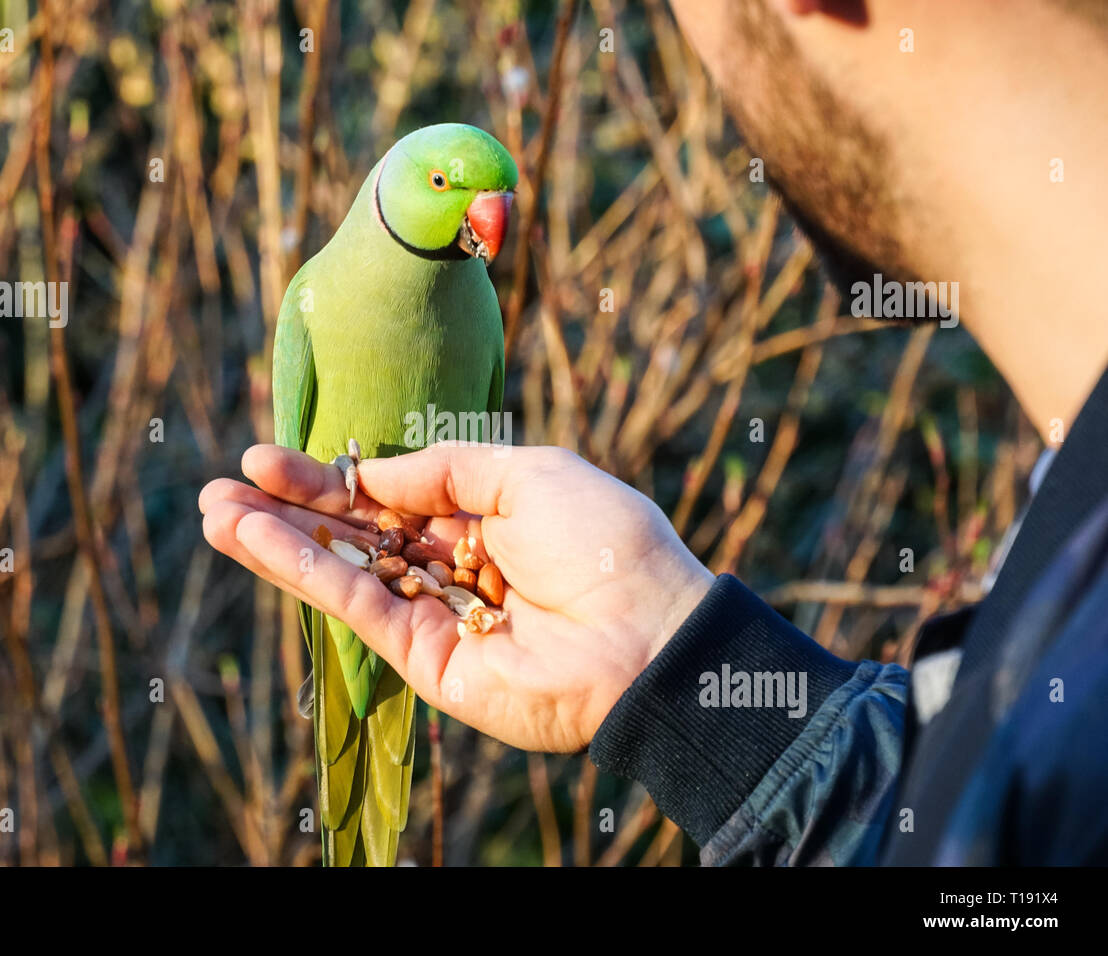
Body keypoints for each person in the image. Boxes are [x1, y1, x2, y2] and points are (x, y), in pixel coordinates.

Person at [199, 0, 1108, 864]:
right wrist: (672, 655)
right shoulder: (312, 297)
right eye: (445, 187)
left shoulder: (1075, 643)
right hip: (396, 559)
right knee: (351, 754)